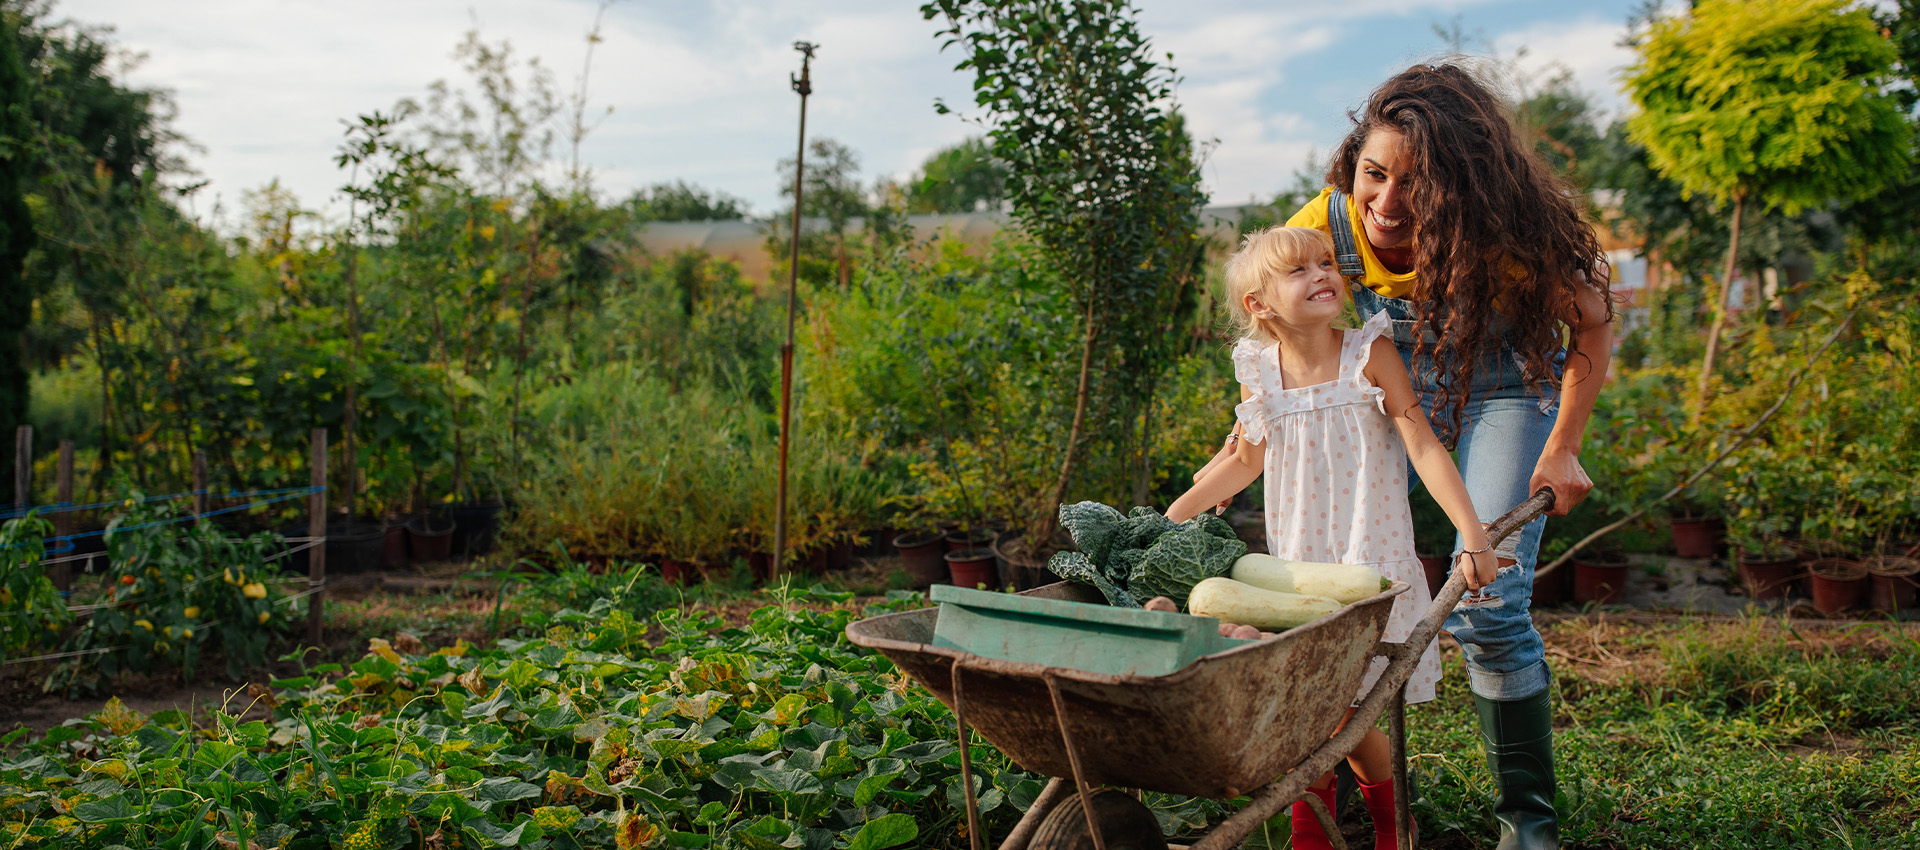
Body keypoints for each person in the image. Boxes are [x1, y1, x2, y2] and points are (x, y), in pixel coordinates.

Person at [1247, 62, 1613, 850]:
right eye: (1373, 175)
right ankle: (1341, 796)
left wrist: (1565, 445)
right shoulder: (1332, 221)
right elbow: (1279, 314)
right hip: (1391, 391)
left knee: (1488, 605)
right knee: (1324, 595)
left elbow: (1590, 323)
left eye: (1416, 187)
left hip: (1500, 390)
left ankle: (1527, 827)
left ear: (1461, 189)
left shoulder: (1508, 238)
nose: (1385, 205)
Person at [1164, 225, 1499, 850]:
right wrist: (1169, 520)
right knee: (1315, 704)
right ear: (1258, 305)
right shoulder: (1259, 370)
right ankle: (1355, 824)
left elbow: (1421, 444)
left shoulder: (1367, 353)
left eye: (1327, 264)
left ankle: (1366, 824)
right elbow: (1246, 462)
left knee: (1340, 707)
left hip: (1366, 553)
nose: (1322, 275)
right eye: (1299, 271)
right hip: (1297, 567)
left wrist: (1471, 532)